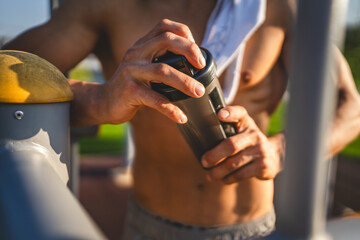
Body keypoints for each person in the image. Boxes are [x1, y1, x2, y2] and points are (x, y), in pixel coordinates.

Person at [3, 0, 360, 239]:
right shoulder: (107, 3)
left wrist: (280, 151)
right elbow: (8, 69)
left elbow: (351, 107)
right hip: (151, 227)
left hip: (255, 228)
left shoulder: (281, 6)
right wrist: (99, 97)